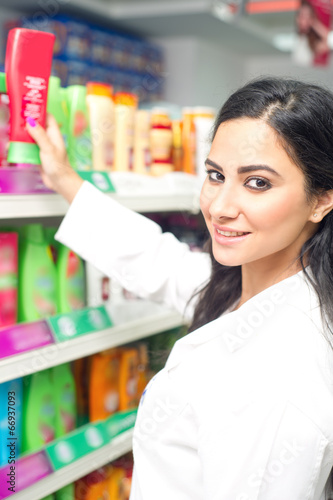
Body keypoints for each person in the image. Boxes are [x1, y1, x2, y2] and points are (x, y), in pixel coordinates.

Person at [26, 77, 333, 499]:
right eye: (215, 175)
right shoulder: (254, 290)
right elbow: (161, 263)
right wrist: (64, 178)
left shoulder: (279, 381)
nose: (220, 207)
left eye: (257, 182)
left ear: (321, 200)